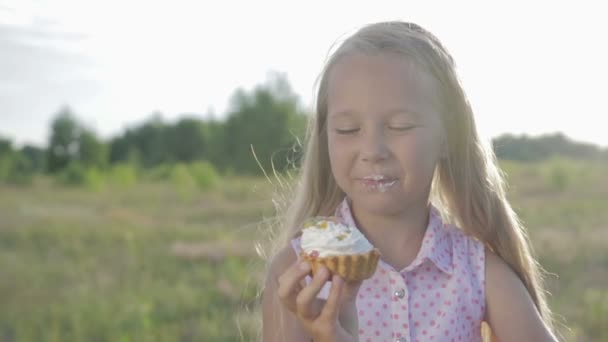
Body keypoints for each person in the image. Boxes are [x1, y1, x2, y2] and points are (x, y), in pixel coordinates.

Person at [261, 21, 559, 342]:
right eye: (348, 129)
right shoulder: (295, 277)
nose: (372, 151)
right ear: (325, 139)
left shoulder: (481, 274)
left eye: (400, 126)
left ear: (448, 136)